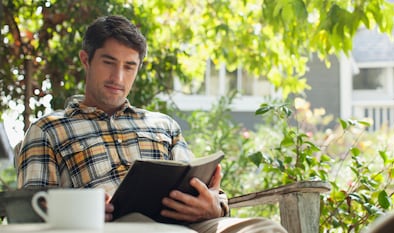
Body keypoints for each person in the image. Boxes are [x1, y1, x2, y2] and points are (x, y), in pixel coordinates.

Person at [16, 15, 287, 233]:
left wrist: (213, 206)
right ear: (86, 60)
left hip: (190, 225)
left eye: (129, 66)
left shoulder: (164, 126)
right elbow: (29, 214)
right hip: (108, 228)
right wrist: (81, 211)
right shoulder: (48, 130)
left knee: (265, 228)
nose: (118, 77)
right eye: (108, 62)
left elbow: (198, 186)